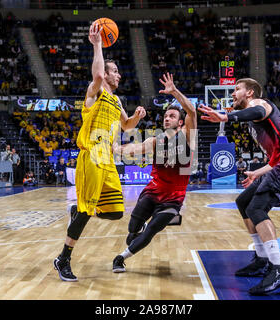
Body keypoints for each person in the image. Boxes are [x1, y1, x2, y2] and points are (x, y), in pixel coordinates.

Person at [199, 78, 280, 295]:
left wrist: (226, 116)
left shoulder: (260, 104)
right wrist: (256, 173)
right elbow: (274, 160)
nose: (232, 94)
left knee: (256, 208)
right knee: (243, 202)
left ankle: (278, 269)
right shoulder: (254, 122)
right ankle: (261, 259)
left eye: (236, 89)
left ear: (250, 92)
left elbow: (259, 111)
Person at [53, 22, 146, 282]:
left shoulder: (116, 101)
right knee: (85, 210)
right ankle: (63, 259)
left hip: (107, 158)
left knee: (115, 211)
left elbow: (126, 126)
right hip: (91, 154)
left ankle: (79, 213)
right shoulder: (94, 92)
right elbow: (96, 77)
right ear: (105, 74)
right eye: (114, 71)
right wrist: (97, 45)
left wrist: (137, 117)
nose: (119, 75)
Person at [112, 73, 197, 273]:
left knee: (151, 230)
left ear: (181, 123)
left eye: (172, 116)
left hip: (173, 199)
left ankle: (120, 258)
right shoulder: (155, 141)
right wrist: (116, 148)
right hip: (152, 192)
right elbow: (133, 148)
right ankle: (135, 233)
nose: (167, 119)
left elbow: (191, 111)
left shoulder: (187, 137)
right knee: (133, 228)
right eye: (166, 116)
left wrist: (174, 91)